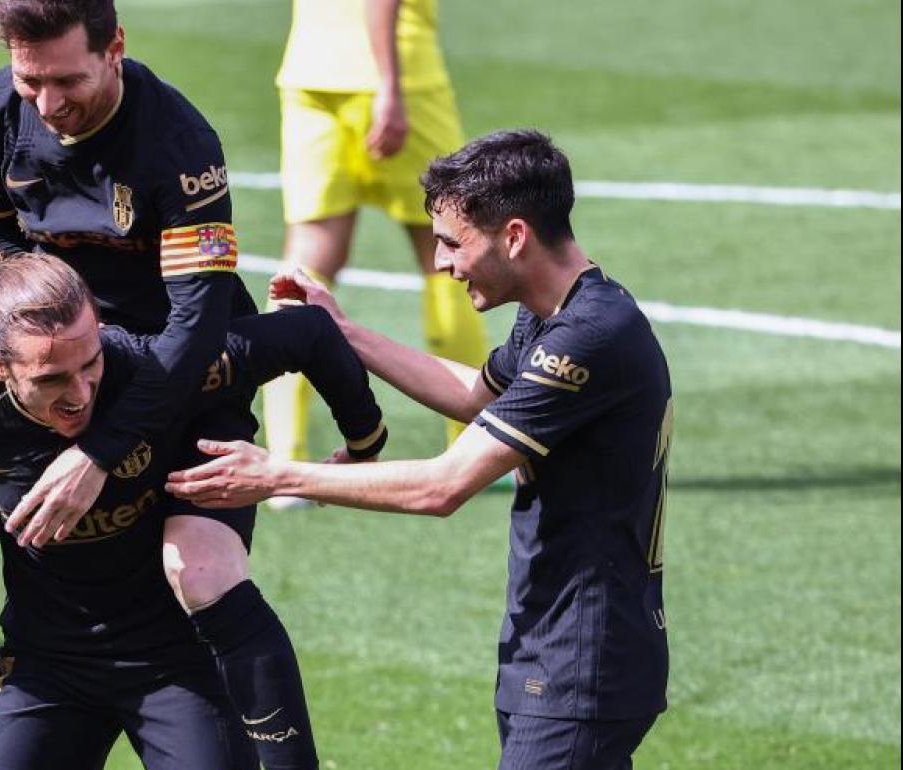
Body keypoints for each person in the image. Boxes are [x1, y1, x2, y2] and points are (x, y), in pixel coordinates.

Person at [0, 1, 325, 767]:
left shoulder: (179, 141)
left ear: (115, 49)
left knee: (198, 567)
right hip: (53, 363)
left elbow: (197, 321)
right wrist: (37, 351)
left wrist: (100, 448)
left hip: (174, 371)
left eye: (67, 79)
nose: (48, 103)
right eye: (30, 79)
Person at [168, 130, 671, 770]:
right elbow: (477, 398)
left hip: (584, 654)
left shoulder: (588, 338)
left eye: (453, 243)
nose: (440, 262)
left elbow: (443, 487)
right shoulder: (557, 314)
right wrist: (343, 333)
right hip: (552, 639)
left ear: (514, 237)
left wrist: (276, 475)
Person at [0, 252, 388, 769]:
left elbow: (308, 333)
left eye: (89, 364)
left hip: (177, 667)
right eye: (51, 379)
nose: (80, 393)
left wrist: (364, 444)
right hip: (46, 667)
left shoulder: (153, 375)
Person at [263, 0, 486, 493]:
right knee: (449, 246)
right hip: (395, 74)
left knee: (309, 252)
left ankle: (284, 456)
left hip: (311, 70)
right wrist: (389, 81)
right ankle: (479, 444)